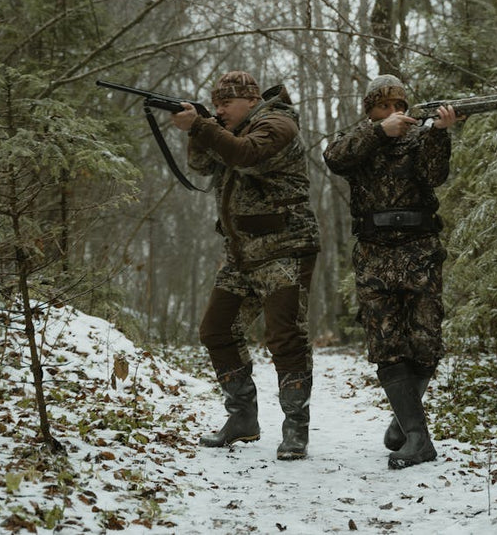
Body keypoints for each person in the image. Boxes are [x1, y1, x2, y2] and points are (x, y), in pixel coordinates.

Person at [168, 71, 320, 461]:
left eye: (226, 103)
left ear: (251, 100)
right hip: (241, 252)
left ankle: (295, 429)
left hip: (285, 247)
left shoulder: (277, 124)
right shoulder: (230, 129)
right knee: (216, 330)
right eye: (215, 103)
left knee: (284, 336)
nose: (220, 110)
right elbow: (203, 166)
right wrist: (200, 128)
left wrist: (204, 124)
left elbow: (247, 156)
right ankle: (242, 419)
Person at [323, 74, 457, 469]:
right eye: (385, 107)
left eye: (400, 106)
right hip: (374, 253)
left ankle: (405, 419)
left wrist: (440, 133)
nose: (395, 112)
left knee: (425, 341)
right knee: (385, 342)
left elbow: (435, 175)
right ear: (371, 112)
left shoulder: (420, 138)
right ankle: (418, 438)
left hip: (420, 251)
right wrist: (380, 133)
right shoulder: (359, 141)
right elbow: (334, 158)